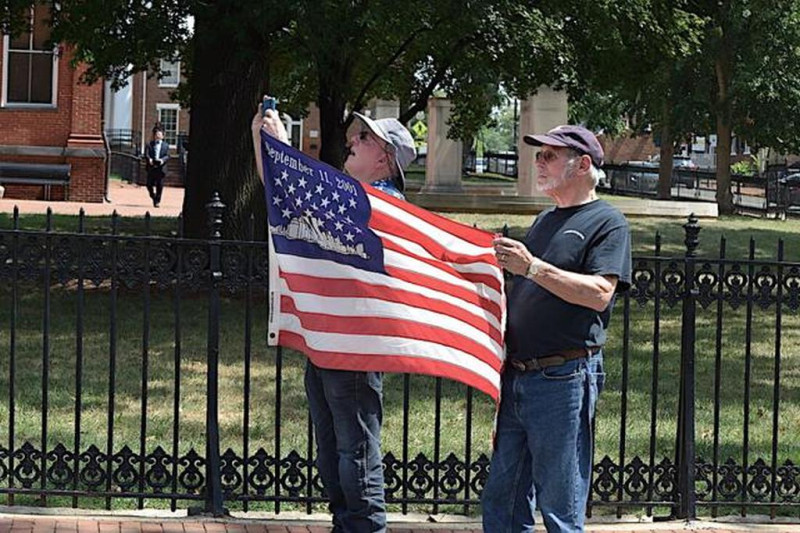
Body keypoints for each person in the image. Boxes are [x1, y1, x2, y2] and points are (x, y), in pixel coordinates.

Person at [252, 102, 416, 532]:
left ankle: (365, 527)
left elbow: (307, 199)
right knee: (331, 449)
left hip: (356, 349)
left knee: (356, 450)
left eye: (364, 139)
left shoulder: (383, 202)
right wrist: (265, 143)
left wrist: (281, 146)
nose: (352, 142)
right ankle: (345, 523)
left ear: (384, 158)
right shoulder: (350, 194)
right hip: (326, 343)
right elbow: (286, 197)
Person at [482, 125, 632, 533]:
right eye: (538, 154)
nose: (538, 162)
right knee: (503, 498)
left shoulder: (608, 222)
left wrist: (531, 266)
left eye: (549, 155)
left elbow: (600, 293)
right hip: (517, 375)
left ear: (582, 164)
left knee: (560, 505)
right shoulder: (546, 219)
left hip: (563, 378)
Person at [145, 127, 169, 207]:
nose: (158, 136)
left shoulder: (166, 145)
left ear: (163, 136)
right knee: (149, 185)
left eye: (160, 135)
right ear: (154, 136)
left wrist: (162, 160)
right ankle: (153, 196)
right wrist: (150, 160)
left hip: (161, 168)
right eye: (156, 134)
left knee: (160, 185)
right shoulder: (149, 144)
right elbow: (146, 154)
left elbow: (168, 155)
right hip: (151, 167)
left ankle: (157, 201)